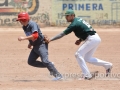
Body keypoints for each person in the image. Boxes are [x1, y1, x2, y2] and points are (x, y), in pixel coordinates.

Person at [48, 9, 113, 80]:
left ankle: (87, 75)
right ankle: (108, 65)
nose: (66, 17)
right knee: (87, 58)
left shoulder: (74, 24)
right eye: (65, 16)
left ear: (72, 16)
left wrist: (50, 39)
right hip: (95, 38)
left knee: (78, 54)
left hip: (92, 39)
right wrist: (80, 40)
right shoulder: (78, 20)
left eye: (67, 16)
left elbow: (61, 34)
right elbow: (85, 30)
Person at [16, 12, 62, 81]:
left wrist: (24, 38)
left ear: (25, 19)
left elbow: (35, 35)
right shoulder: (24, 27)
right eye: (20, 20)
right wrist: (30, 43)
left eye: (21, 20)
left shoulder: (32, 24)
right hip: (35, 46)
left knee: (45, 61)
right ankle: (50, 65)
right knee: (31, 61)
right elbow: (30, 35)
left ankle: (58, 76)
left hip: (41, 44)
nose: (20, 21)